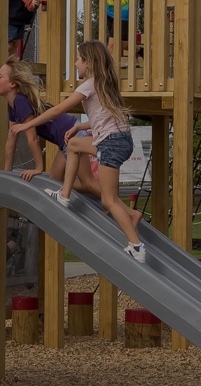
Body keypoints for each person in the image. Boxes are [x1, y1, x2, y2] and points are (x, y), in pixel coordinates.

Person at [11, 41, 148, 262]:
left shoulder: (89, 85)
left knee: (108, 199)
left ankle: (136, 246)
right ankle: (65, 196)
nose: (75, 64)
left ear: (88, 62)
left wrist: (28, 125)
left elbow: (58, 110)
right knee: (73, 144)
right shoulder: (106, 84)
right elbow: (103, 119)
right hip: (121, 140)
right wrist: (78, 126)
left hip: (111, 143)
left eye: (77, 60)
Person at [0, 60, 84, 186]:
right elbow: (11, 139)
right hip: (66, 139)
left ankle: (106, 195)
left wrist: (38, 168)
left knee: (87, 182)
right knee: (55, 180)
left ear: (13, 84)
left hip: (72, 134)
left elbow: (32, 139)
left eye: (0, 77)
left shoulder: (20, 102)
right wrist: (6, 173)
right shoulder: (13, 106)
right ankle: (102, 194)